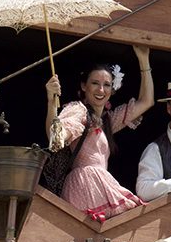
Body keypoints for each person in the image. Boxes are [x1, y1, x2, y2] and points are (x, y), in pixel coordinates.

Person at [45, 45, 153, 222]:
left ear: (113, 89)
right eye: (95, 83)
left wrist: (143, 58)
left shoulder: (108, 120)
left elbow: (147, 101)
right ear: (84, 86)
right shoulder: (78, 110)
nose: (101, 90)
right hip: (84, 184)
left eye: (107, 85)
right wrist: (51, 101)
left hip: (98, 184)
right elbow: (55, 138)